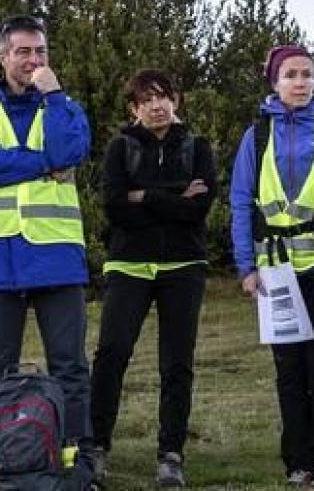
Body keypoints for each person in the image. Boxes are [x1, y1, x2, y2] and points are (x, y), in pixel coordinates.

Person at [0, 14, 93, 456]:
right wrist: (43, 163)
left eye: (40, 51)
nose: (33, 60)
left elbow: (70, 150)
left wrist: (52, 94)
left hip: (56, 255)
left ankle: (76, 457)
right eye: (23, 52)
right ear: (2, 57)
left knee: (69, 366)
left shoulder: (64, 106)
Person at [231, 46, 314, 489]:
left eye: (307, 74)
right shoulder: (255, 135)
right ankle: (298, 464)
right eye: (291, 74)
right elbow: (240, 202)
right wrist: (245, 266)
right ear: (274, 82)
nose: (301, 82)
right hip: (274, 273)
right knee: (288, 370)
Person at [90, 69, 219, 488]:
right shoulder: (119, 147)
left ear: (177, 101)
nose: (156, 105)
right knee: (111, 354)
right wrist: (173, 198)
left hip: (184, 267)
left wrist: (143, 195)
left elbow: (197, 211)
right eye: (146, 99)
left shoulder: (198, 147)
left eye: (163, 96)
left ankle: (170, 454)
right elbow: (113, 205)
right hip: (128, 265)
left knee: (177, 363)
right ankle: (97, 448)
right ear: (134, 108)